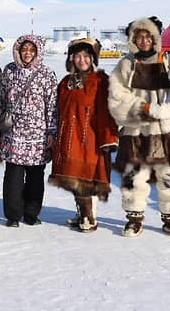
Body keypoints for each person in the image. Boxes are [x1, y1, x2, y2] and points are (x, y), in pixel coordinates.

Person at [108, 16, 170, 238]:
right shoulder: (126, 65)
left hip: (167, 130)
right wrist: (145, 108)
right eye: (138, 38)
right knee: (134, 177)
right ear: (132, 40)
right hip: (137, 131)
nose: (143, 42)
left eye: (148, 37)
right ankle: (134, 219)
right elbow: (115, 100)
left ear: (156, 38)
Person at [49, 38, 119, 232]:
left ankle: (89, 217)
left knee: (86, 178)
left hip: (90, 138)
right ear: (71, 59)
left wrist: (108, 137)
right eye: (78, 56)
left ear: (93, 59)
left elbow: (106, 111)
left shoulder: (100, 80)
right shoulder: (65, 82)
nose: (82, 60)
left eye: (86, 56)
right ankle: (82, 212)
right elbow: (57, 110)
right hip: (68, 137)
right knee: (72, 176)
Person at [0, 35, 58, 227]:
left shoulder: (46, 74)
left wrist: (51, 131)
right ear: (18, 50)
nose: (28, 53)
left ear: (38, 52)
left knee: (35, 176)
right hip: (13, 132)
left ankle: (31, 213)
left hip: (38, 135)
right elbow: (2, 99)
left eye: (32, 50)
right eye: (24, 49)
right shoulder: (9, 71)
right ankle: (13, 214)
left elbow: (52, 105)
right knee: (13, 175)